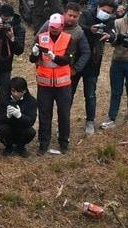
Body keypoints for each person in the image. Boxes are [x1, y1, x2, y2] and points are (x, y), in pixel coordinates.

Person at [30, 13, 80, 153]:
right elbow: (33, 60)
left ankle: (64, 142)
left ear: (62, 26)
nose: (54, 29)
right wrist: (34, 54)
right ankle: (43, 143)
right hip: (45, 84)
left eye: (57, 27)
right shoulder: (41, 37)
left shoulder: (68, 38)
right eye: (52, 27)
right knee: (44, 114)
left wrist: (55, 57)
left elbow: (68, 60)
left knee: (64, 114)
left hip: (63, 84)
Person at [77, 1, 118, 136]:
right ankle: (63, 122)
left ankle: (90, 121)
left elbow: (113, 33)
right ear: (98, 7)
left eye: (109, 12)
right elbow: (78, 27)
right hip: (77, 58)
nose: (105, 14)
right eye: (104, 10)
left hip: (94, 61)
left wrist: (109, 36)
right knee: (69, 93)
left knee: (90, 93)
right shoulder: (86, 14)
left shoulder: (110, 20)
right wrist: (91, 29)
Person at [0, 3, 27, 100]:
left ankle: (3, 114)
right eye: (3, 18)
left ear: (12, 17)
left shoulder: (19, 27)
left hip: (4, 67)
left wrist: (12, 38)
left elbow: (19, 51)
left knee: (5, 95)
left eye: (7, 19)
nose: (5, 22)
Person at [0, 75, 39, 154]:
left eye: (18, 91)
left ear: (24, 91)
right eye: (13, 91)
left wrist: (20, 116)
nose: (15, 94)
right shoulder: (4, 99)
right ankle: (8, 147)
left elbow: (31, 121)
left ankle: (20, 147)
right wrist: (6, 116)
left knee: (31, 132)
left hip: (22, 130)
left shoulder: (31, 101)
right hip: (7, 129)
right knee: (2, 129)